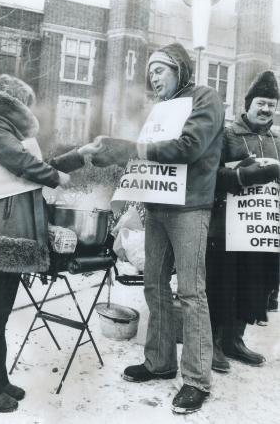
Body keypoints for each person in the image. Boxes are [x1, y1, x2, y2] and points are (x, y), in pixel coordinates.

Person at [92, 42, 225, 414]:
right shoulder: (161, 109)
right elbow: (146, 153)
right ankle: (160, 361)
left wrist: (131, 148)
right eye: (150, 71)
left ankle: (197, 380)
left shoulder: (206, 98)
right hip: (158, 205)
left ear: (180, 69)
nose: (152, 76)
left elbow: (189, 146)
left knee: (191, 292)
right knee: (154, 284)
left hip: (190, 208)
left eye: (160, 69)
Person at [0, 74, 97, 413]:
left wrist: (80, 154)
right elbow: (25, 165)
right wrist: (54, 177)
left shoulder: (8, 132)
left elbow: (34, 165)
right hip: (2, 234)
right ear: (15, 103)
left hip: (12, 232)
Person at [206, 70, 280, 373]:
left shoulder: (277, 140)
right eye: (261, 103)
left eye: (272, 105)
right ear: (247, 104)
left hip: (260, 229)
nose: (266, 110)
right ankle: (211, 343)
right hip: (226, 225)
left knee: (253, 283)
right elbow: (210, 176)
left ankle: (234, 340)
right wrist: (241, 176)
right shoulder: (227, 134)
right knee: (222, 284)